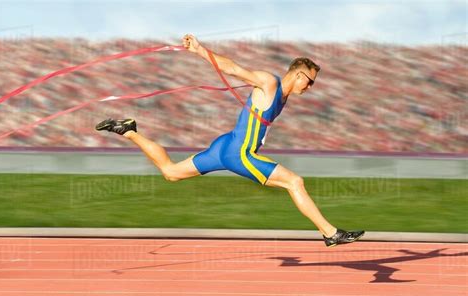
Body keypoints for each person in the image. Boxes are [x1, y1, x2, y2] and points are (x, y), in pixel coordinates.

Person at [96, 34, 364, 247]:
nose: (310, 87)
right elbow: (234, 69)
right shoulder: (269, 83)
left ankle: (129, 130)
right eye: (310, 82)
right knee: (295, 182)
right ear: (297, 74)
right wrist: (200, 50)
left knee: (171, 172)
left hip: (224, 145)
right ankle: (330, 233)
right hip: (238, 153)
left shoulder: (282, 97)